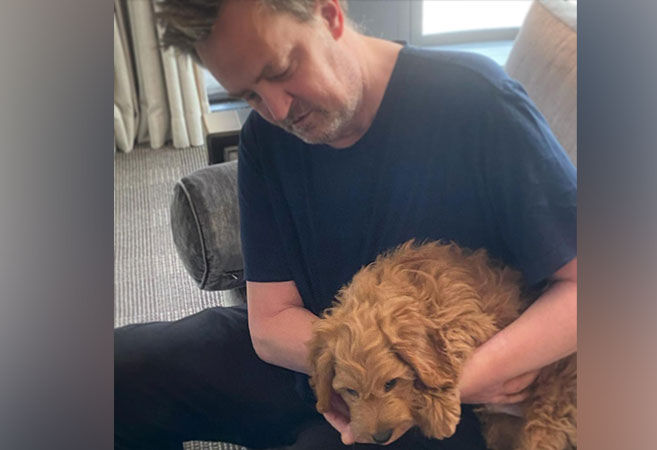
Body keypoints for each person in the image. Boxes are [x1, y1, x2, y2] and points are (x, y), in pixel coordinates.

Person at [114, 0, 577, 449]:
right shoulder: (264, 136)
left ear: (329, 13)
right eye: (250, 95)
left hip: (440, 394)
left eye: (280, 70)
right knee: (117, 370)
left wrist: (458, 378)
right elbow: (270, 323)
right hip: (317, 356)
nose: (277, 111)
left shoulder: (478, 101)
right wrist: (350, 373)